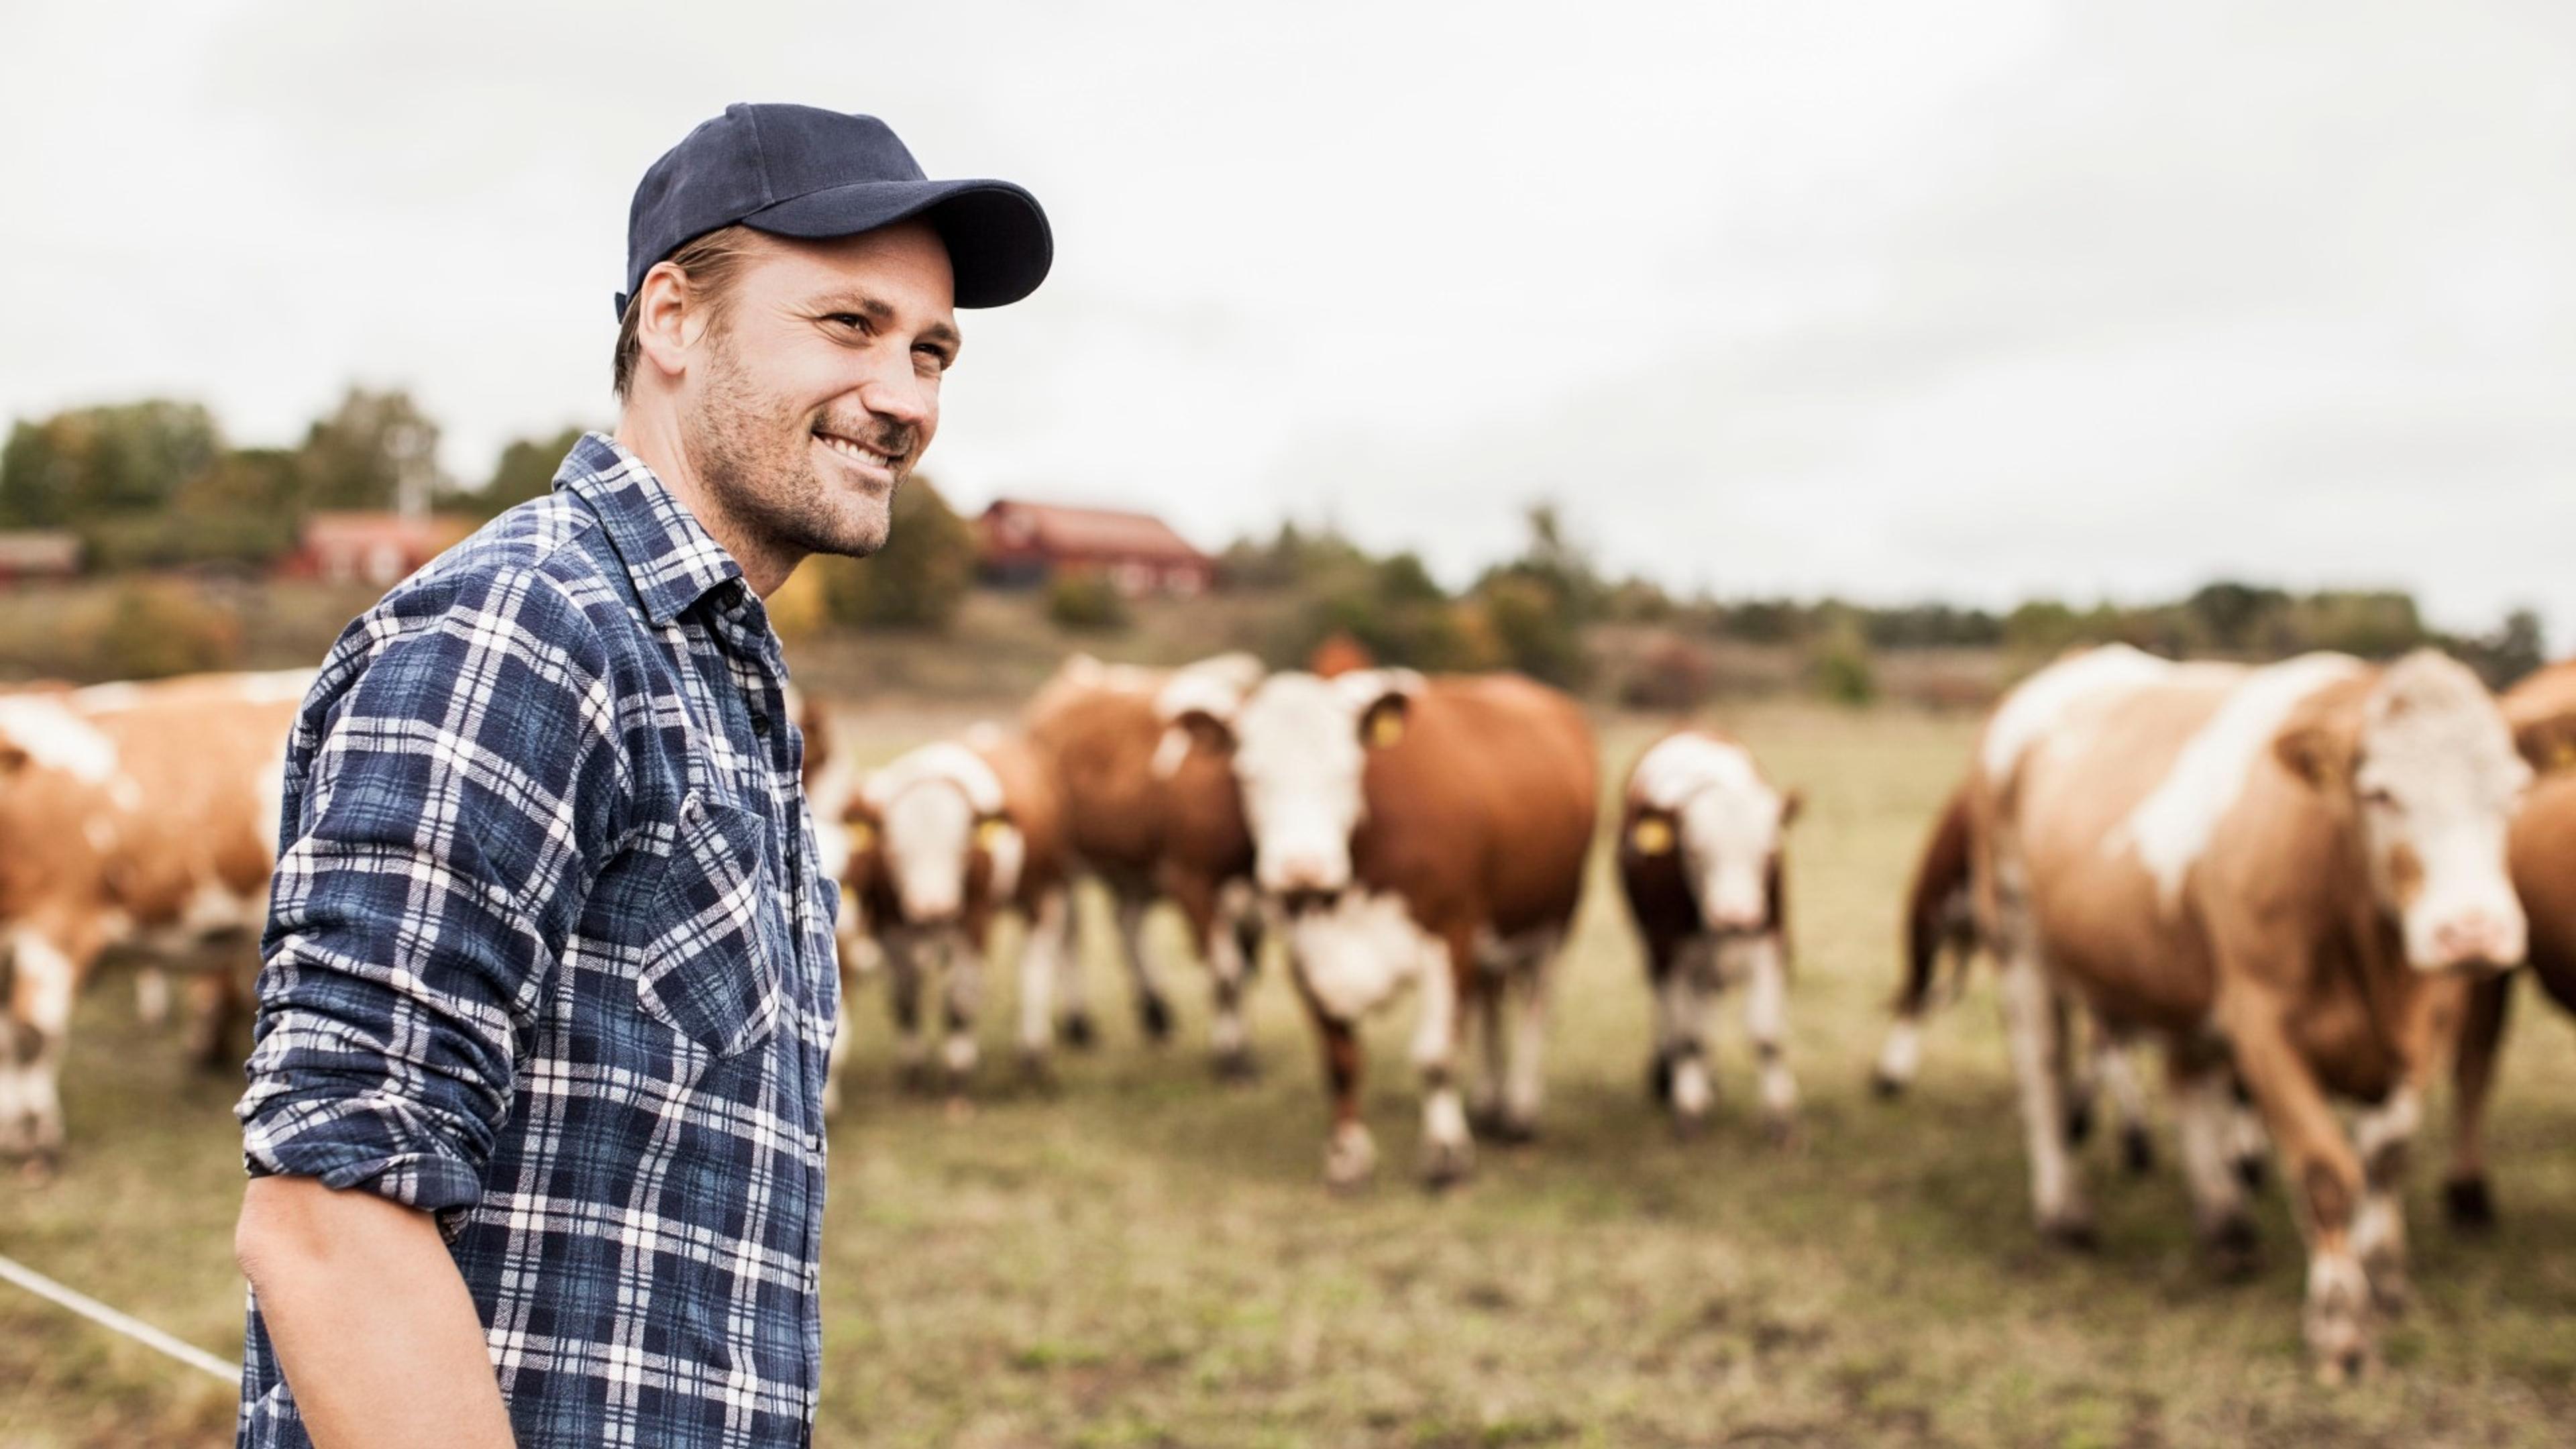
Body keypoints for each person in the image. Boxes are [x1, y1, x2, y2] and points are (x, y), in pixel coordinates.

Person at [229, 104, 1050, 1448]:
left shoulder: (718, 673)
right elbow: (328, 1215)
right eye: (849, 326)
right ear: (671, 319)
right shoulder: (528, 636)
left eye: (933, 350)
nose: (906, 397)